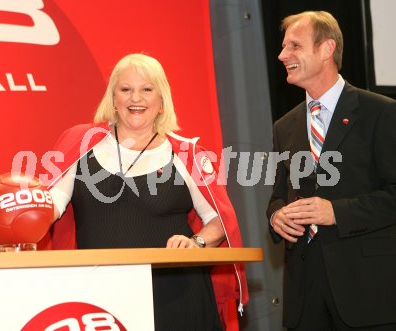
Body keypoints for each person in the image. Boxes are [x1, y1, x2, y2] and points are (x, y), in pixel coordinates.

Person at [46, 53, 248, 330]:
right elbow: (48, 205)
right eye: (126, 89)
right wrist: (16, 220)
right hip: (100, 298)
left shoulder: (188, 155)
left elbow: (219, 221)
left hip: (177, 297)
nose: (135, 99)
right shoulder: (80, 144)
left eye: (146, 89)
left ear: (161, 100)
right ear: (113, 99)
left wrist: (196, 243)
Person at [267, 11, 396, 331]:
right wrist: (276, 216)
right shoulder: (285, 127)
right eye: (283, 47)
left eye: (294, 46)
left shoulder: (380, 112)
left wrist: (335, 211)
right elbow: (276, 196)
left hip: (367, 293)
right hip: (304, 294)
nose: (283, 55)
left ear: (326, 49)